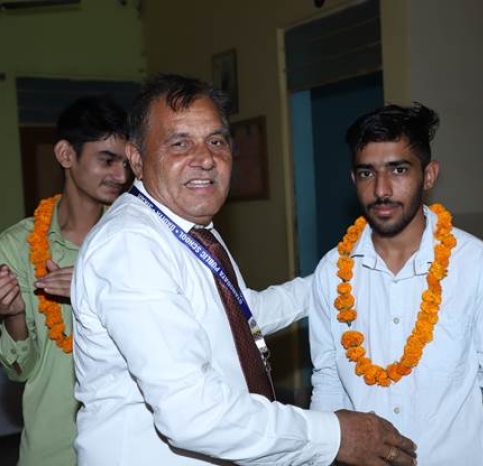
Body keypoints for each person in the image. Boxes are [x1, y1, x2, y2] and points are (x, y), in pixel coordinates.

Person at [71, 73, 418, 466]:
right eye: (179, 143)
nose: (205, 158)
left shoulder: (188, 228)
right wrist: (336, 435)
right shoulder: (131, 246)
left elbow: (238, 315)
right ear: (136, 158)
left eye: (216, 141)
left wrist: (336, 279)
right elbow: (193, 415)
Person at [309, 103, 483, 465]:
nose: (381, 190)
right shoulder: (331, 273)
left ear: (428, 176)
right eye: (367, 173)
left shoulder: (479, 267)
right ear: (353, 180)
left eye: (398, 170)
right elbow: (328, 380)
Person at [0, 95, 131, 466]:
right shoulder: (16, 247)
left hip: (129, 439)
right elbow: (20, 370)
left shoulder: (135, 239)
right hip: (53, 443)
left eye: (127, 163)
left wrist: (96, 288)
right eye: (107, 160)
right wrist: (14, 314)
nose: (121, 176)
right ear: (66, 155)